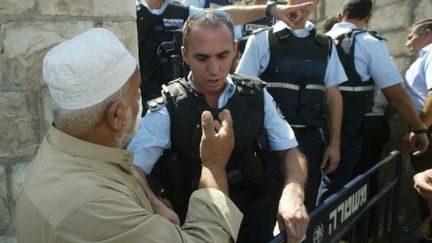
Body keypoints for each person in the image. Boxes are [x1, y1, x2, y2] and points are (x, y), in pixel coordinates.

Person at [15, 28, 244, 243]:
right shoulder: (92, 207)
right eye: (136, 94)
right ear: (116, 116)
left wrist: (147, 202)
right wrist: (214, 164)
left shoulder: (66, 148)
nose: (140, 102)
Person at [129, 9, 309, 243]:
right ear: (185, 55)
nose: (214, 70)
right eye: (202, 58)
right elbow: (132, 169)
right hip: (195, 230)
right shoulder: (168, 108)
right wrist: (154, 205)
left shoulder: (257, 95)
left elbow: (291, 151)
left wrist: (294, 193)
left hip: (255, 223)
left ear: (234, 49)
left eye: (222, 56)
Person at [236, 0, 346, 211]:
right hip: (268, 144)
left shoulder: (326, 45)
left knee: (303, 210)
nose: (304, 3)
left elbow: (333, 95)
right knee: (262, 212)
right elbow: (243, 93)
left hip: (310, 143)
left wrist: (335, 144)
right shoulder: (262, 40)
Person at [317, 0, 429, 203]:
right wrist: (419, 128)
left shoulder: (316, 40)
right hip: (353, 126)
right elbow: (395, 94)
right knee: (352, 184)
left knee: (318, 181)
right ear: (368, 18)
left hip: (312, 122)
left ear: (340, 14)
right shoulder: (369, 42)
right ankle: (346, 233)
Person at [136, 0, 313, 113]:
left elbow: (223, 17)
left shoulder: (181, 12)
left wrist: (270, 10)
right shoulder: (127, 14)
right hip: (137, 103)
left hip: (177, 103)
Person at [403, 18, 432, 241]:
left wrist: (420, 128)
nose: (407, 44)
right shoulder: (421, 59)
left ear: (427, 34)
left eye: (410, 37)